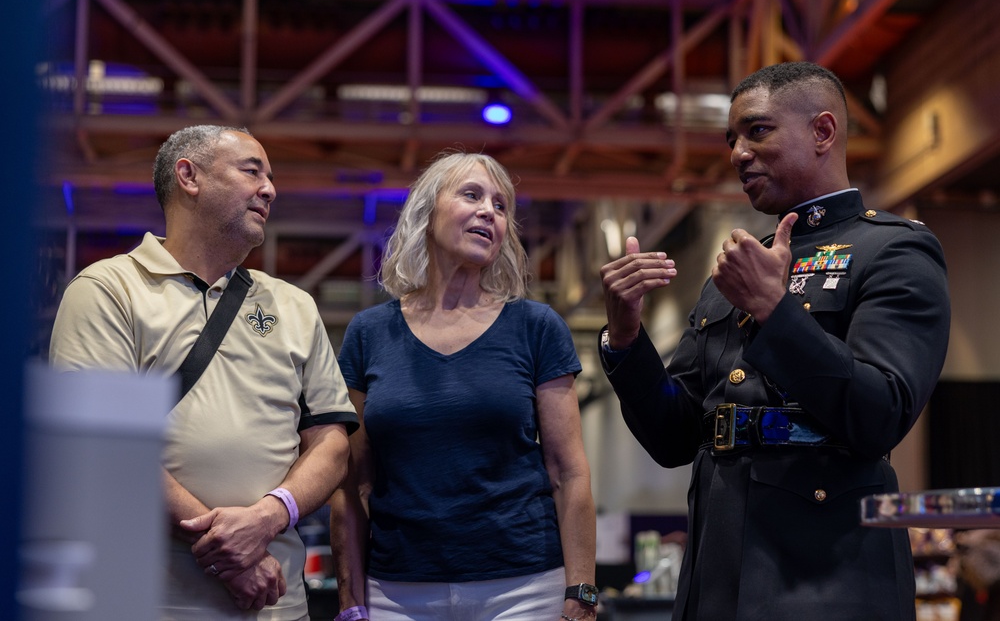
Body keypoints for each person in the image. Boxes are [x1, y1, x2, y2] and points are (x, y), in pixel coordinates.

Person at [598, 62, 951, 620]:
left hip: (827, 574)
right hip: (718, 568)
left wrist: (773, 308)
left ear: (823, 132)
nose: (738, 152)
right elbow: (674, 437)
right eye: (731, 138)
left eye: (757, 131)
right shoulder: (734, 274)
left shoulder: (893, 251)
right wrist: (625, 336)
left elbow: (880, 413)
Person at [48, 124, 359, 620]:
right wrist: (232, 556)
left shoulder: (293, 304)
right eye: (252, 171)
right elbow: (101, 445)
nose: (270, 189)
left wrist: (268, 516)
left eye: (272, 177)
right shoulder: (109, 289)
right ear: (188, 176)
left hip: (277, 601)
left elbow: (332, 443)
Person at [329, 151, 597, 621]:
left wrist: (583, 591)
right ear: (427, 213)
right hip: (398, 590)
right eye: (471, 195)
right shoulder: (369, 333)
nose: (488, 212)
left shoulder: (535, 326)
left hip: (524, 588)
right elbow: (351, 483)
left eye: (500, 205)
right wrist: (350, 601)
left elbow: (567, 471)